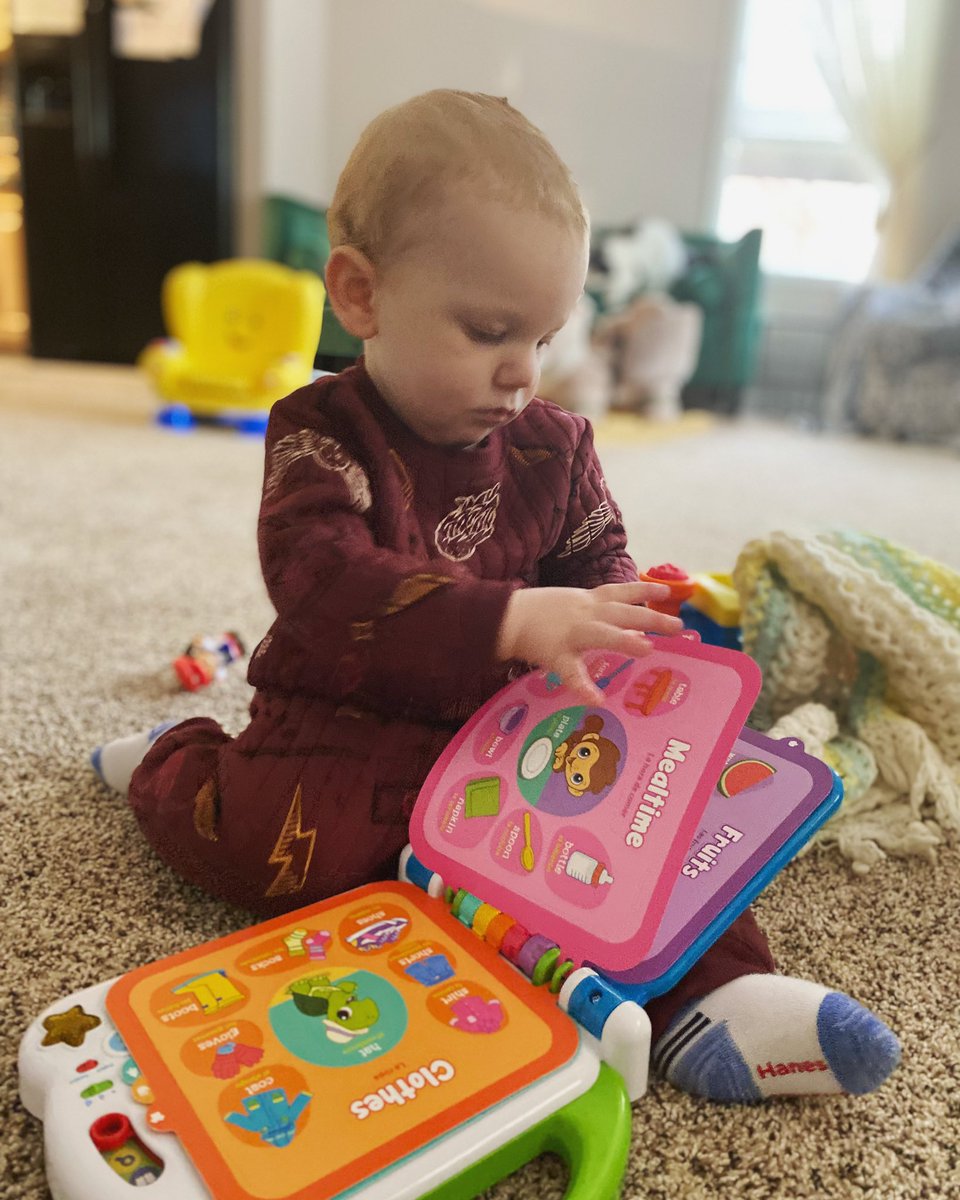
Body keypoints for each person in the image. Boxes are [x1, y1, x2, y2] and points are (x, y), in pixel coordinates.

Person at [92, 90, 899, 1104]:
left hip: (516, 713)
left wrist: (626, 602)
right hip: (351, 710)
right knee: (290, 847)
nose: (521, 372)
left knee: (653, 819)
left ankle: (723, 995)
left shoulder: (554, 443)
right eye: (487, 331)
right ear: (361, 295)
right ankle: (174, 763)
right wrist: (508, 617)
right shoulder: (319, 432)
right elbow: (316, 579)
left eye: (546, 337)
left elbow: (596, 553)